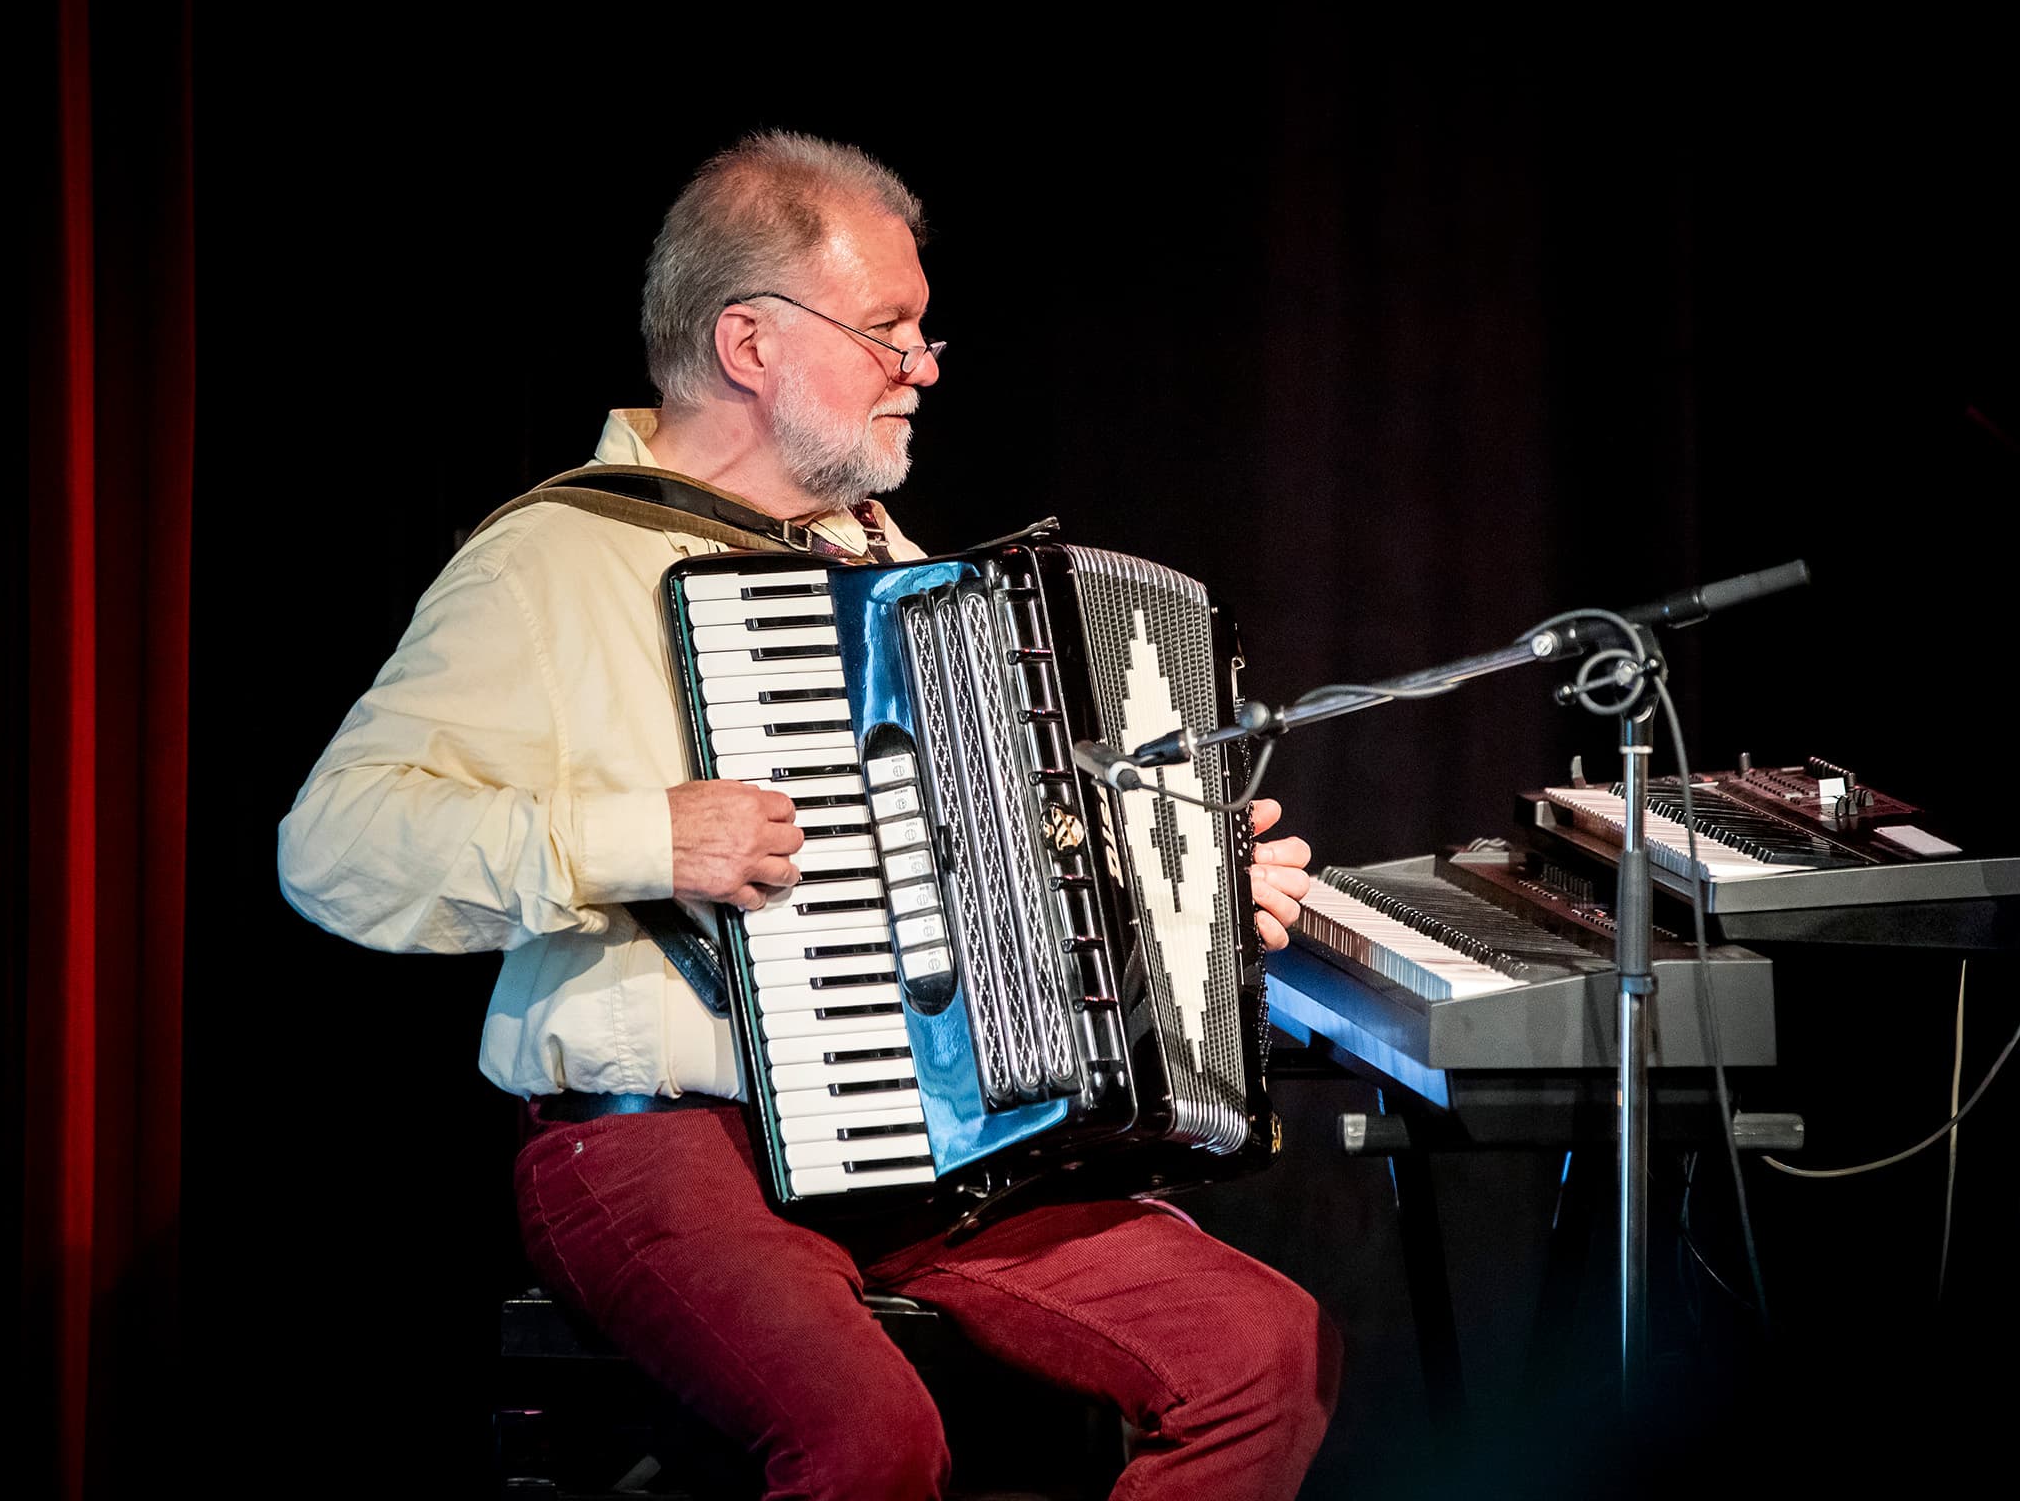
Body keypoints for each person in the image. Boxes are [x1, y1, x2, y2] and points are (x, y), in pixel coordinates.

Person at [278, 130, 1340, 1500]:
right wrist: (647, 839)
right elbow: (338, 844)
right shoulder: (549, 561)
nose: (924, 367)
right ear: (750, 342)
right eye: (888, 331)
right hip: (658, 1140)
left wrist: (1179, 895)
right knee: (869, 1440)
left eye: (921, 332)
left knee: (1267, 1354)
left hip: (930, 1144)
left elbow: (999, 868)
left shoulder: (893, 572)